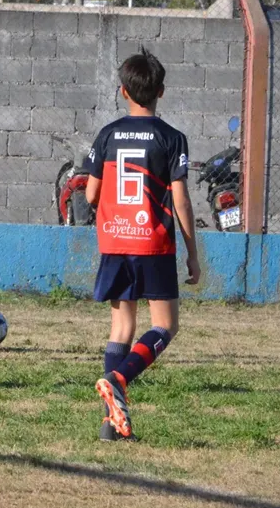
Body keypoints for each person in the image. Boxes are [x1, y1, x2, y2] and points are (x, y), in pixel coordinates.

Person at [83, 46, 200, 440]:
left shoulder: (107, 134)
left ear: (123, 91)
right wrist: (193, 254)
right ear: (161, 92)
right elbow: (180, 199)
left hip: (115, 241)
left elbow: (90, 196)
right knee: (166, 326)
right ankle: (119, 377)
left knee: (121, 329)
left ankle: (110, 421)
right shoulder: (172, 138)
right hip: (153, 243)